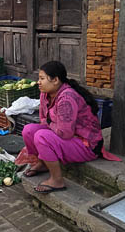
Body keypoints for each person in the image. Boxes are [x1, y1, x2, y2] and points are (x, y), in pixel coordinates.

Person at [22, 61, 104, 193]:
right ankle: (43, 163)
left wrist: (50, 124)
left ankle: (57, 180)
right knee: (28, 130)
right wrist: (52, 124)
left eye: (42, 78)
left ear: (55, 80)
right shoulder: (45, 93)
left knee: (41, 136)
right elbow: (44, 119)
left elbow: (65, 132)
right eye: (39, 78)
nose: (38, 82)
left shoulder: (67, 98)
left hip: (87, 144)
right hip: (66, 134)